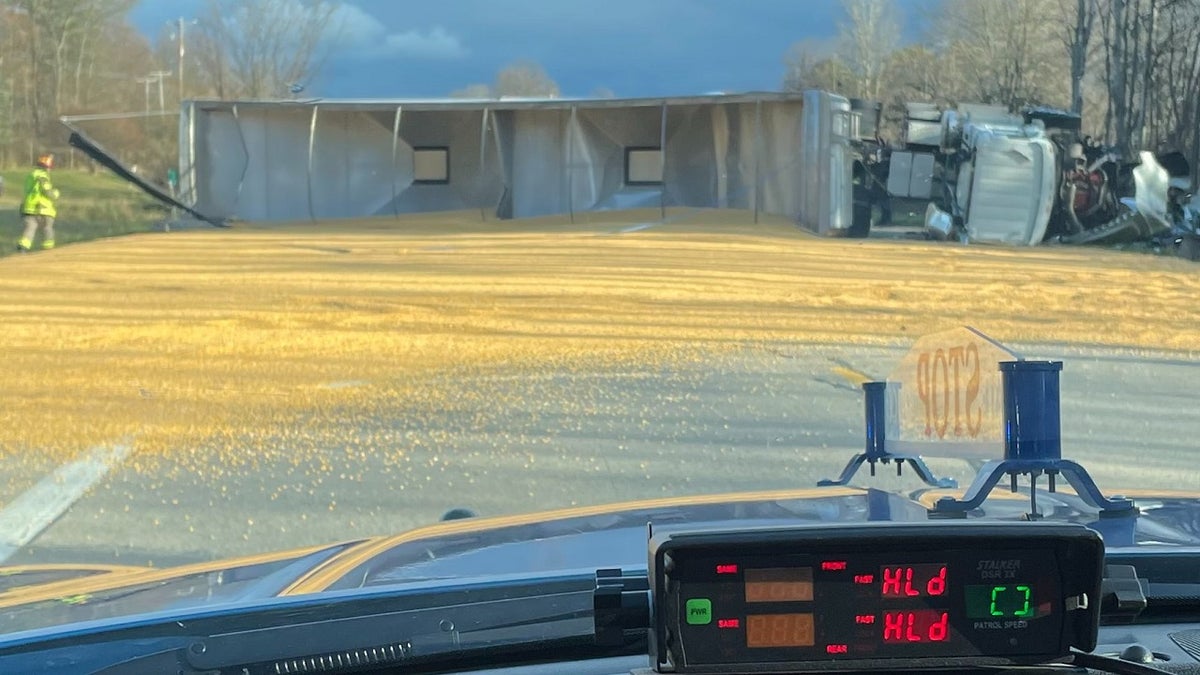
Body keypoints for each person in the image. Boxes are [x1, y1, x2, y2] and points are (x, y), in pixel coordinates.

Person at [18, 153, 59, 253]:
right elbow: (47, 191)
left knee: (30, 228)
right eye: (49, 168)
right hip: (42, 208)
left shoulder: (31, 175)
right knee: (47, 228)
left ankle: (23, 246)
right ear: (46, 167)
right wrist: (55, 194)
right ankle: (48, 248)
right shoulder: (42, 176)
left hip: (28, 208)